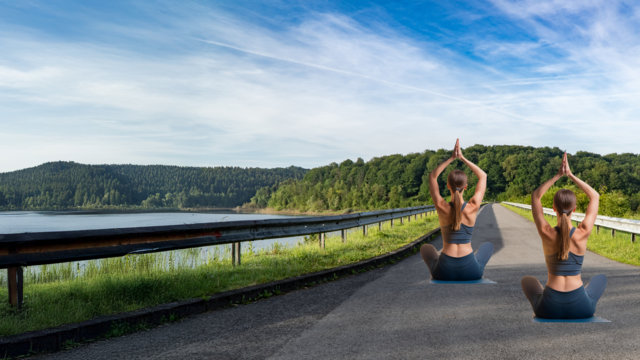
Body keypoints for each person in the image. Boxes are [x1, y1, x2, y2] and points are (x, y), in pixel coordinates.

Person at [521, 152, 606, 319]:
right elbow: (595, 196)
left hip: (548, 308)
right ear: (574, 209)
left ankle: (543, 304)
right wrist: (571, 175)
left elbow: (536, 196)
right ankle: (586, 301)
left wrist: (558, 175)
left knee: (528, 280)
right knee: (600, 279)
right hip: (582, 308)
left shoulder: (546, 232)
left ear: (553, 208)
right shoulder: (583, 232)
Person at [420, 139, 493, 281]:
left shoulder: (442, 207)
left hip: (443, 272)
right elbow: (483, 175)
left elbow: (433, 176)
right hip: (471, 271)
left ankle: (436, 269)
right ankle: (477, 266)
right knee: (487, 247)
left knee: (426, 249)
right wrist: (463, 158)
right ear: (466, 187)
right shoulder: (473, 207)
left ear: (448, 186)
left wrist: (452, 158)